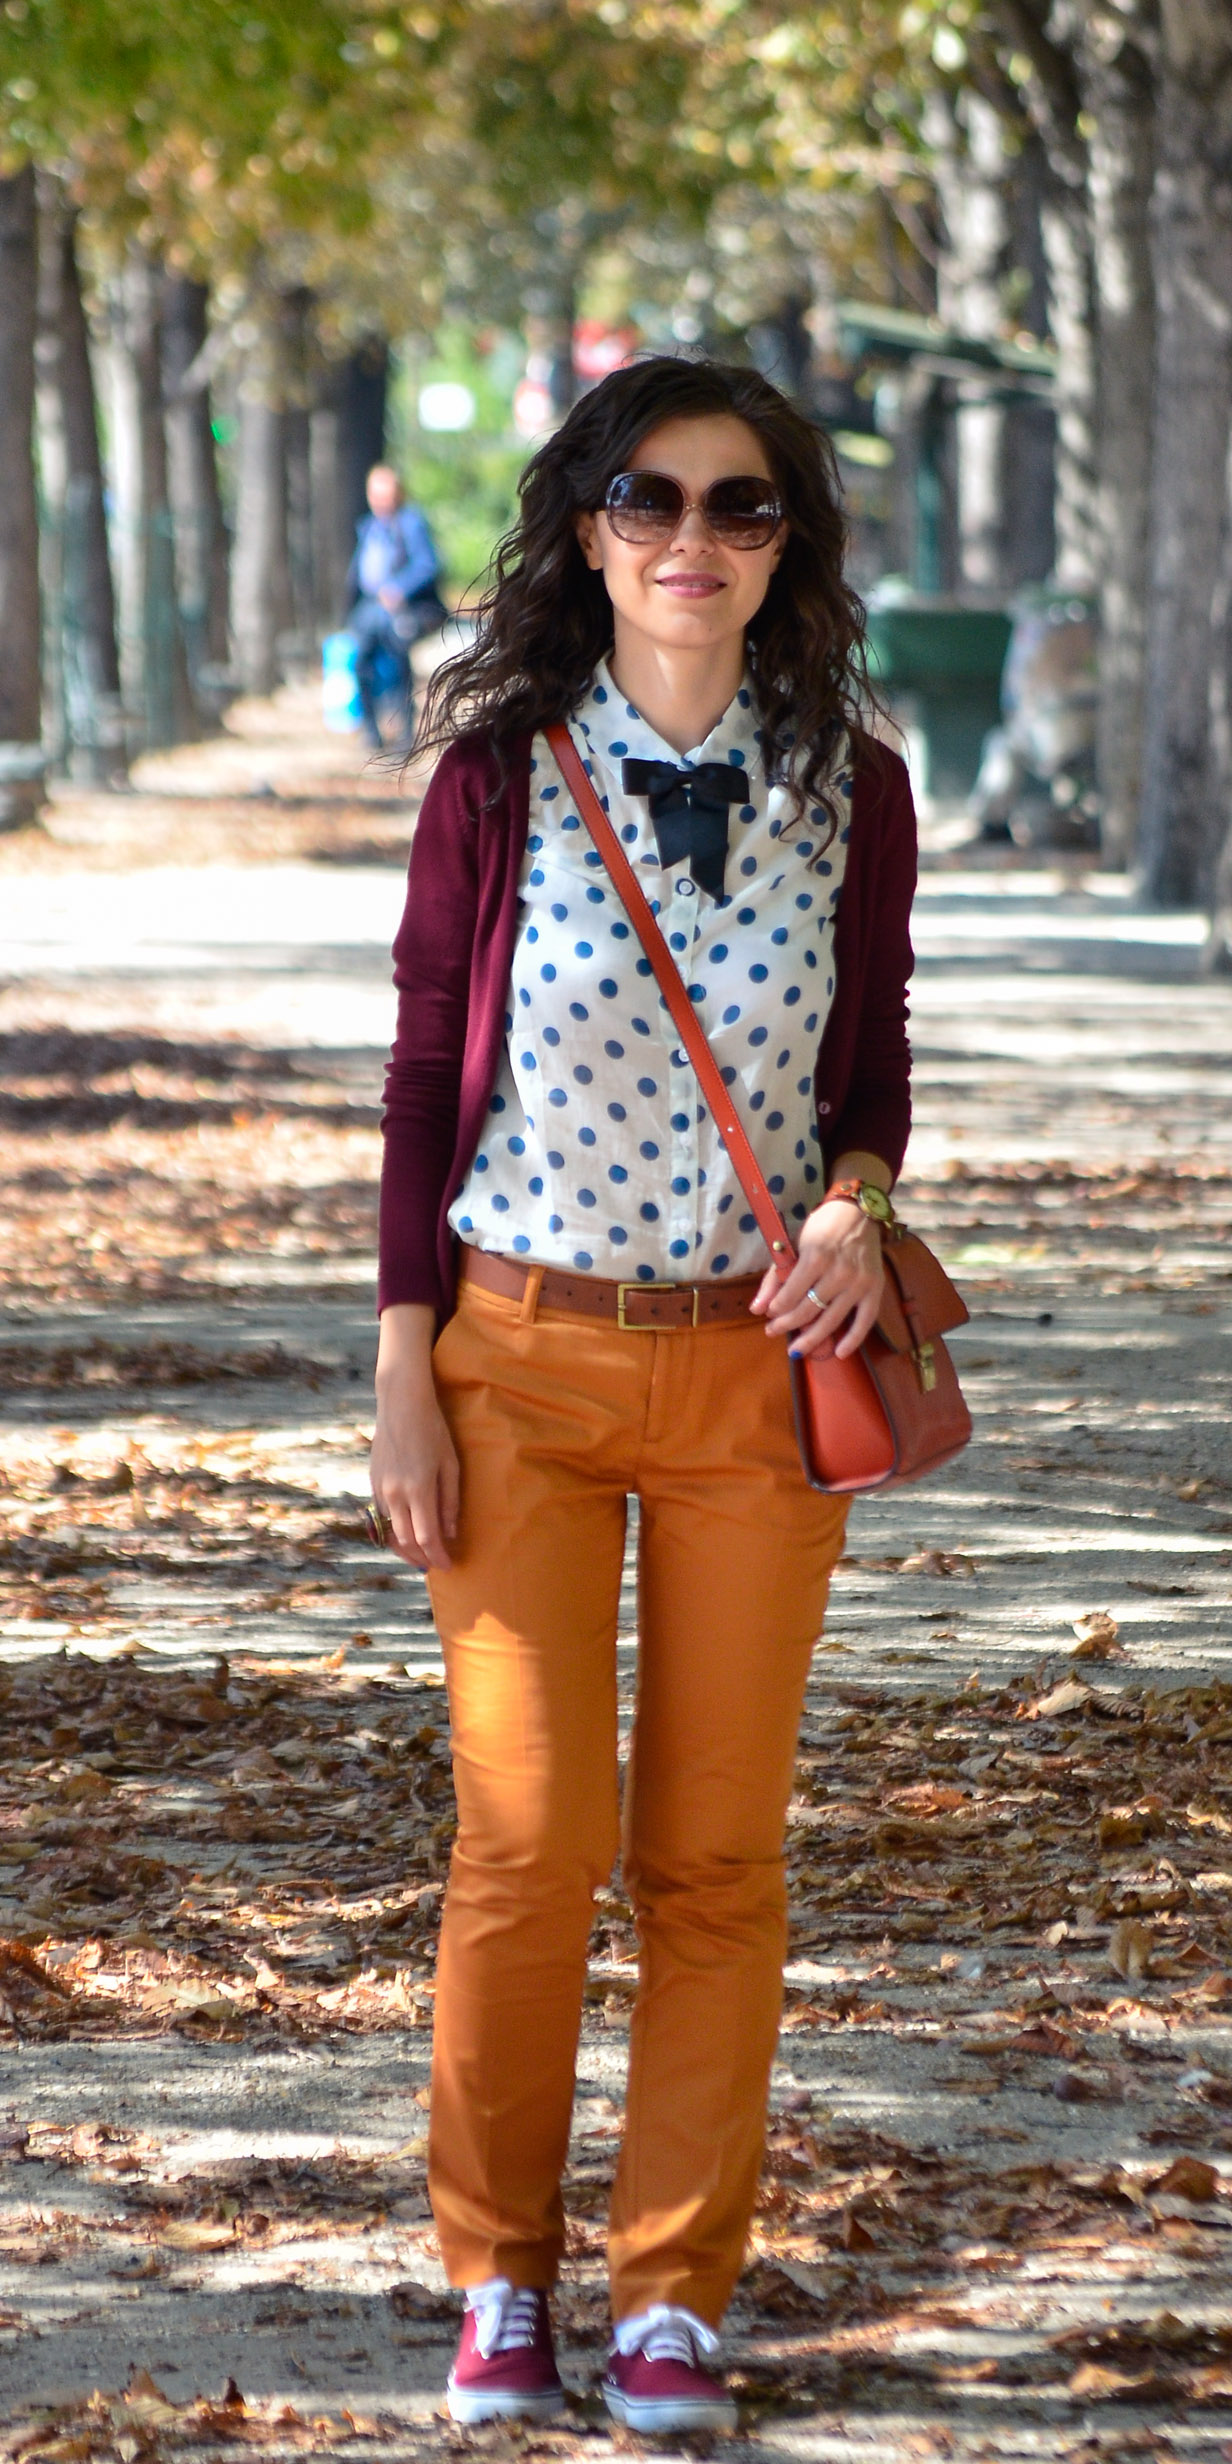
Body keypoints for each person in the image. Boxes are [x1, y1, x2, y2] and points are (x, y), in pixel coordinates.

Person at [370, 356, 917, 2434]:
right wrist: (403, 1362)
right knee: (528, 1838)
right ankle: (496, 2278)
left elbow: (867, 1083)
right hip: (512, 1361)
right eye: (649, 495)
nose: (694, 535)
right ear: (587, 525)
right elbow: (425, 1082)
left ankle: (668, 2290)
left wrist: (860, 1209)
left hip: (757, 1384)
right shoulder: (495, 780)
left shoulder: (851, 787)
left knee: (710, 1855)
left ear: (788, 544)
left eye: (743, 504)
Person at [346, 463, 444, 748]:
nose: (380, 501)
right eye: (375, 494)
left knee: (398, 662)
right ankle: (371, 731)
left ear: (398, 494)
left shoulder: (411, 523)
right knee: (360, 661)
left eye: (385, 494)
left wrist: (399, 588)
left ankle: (404, 732)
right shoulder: (368, 526)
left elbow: (427, 564)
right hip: (370, 607)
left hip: (402, 610)